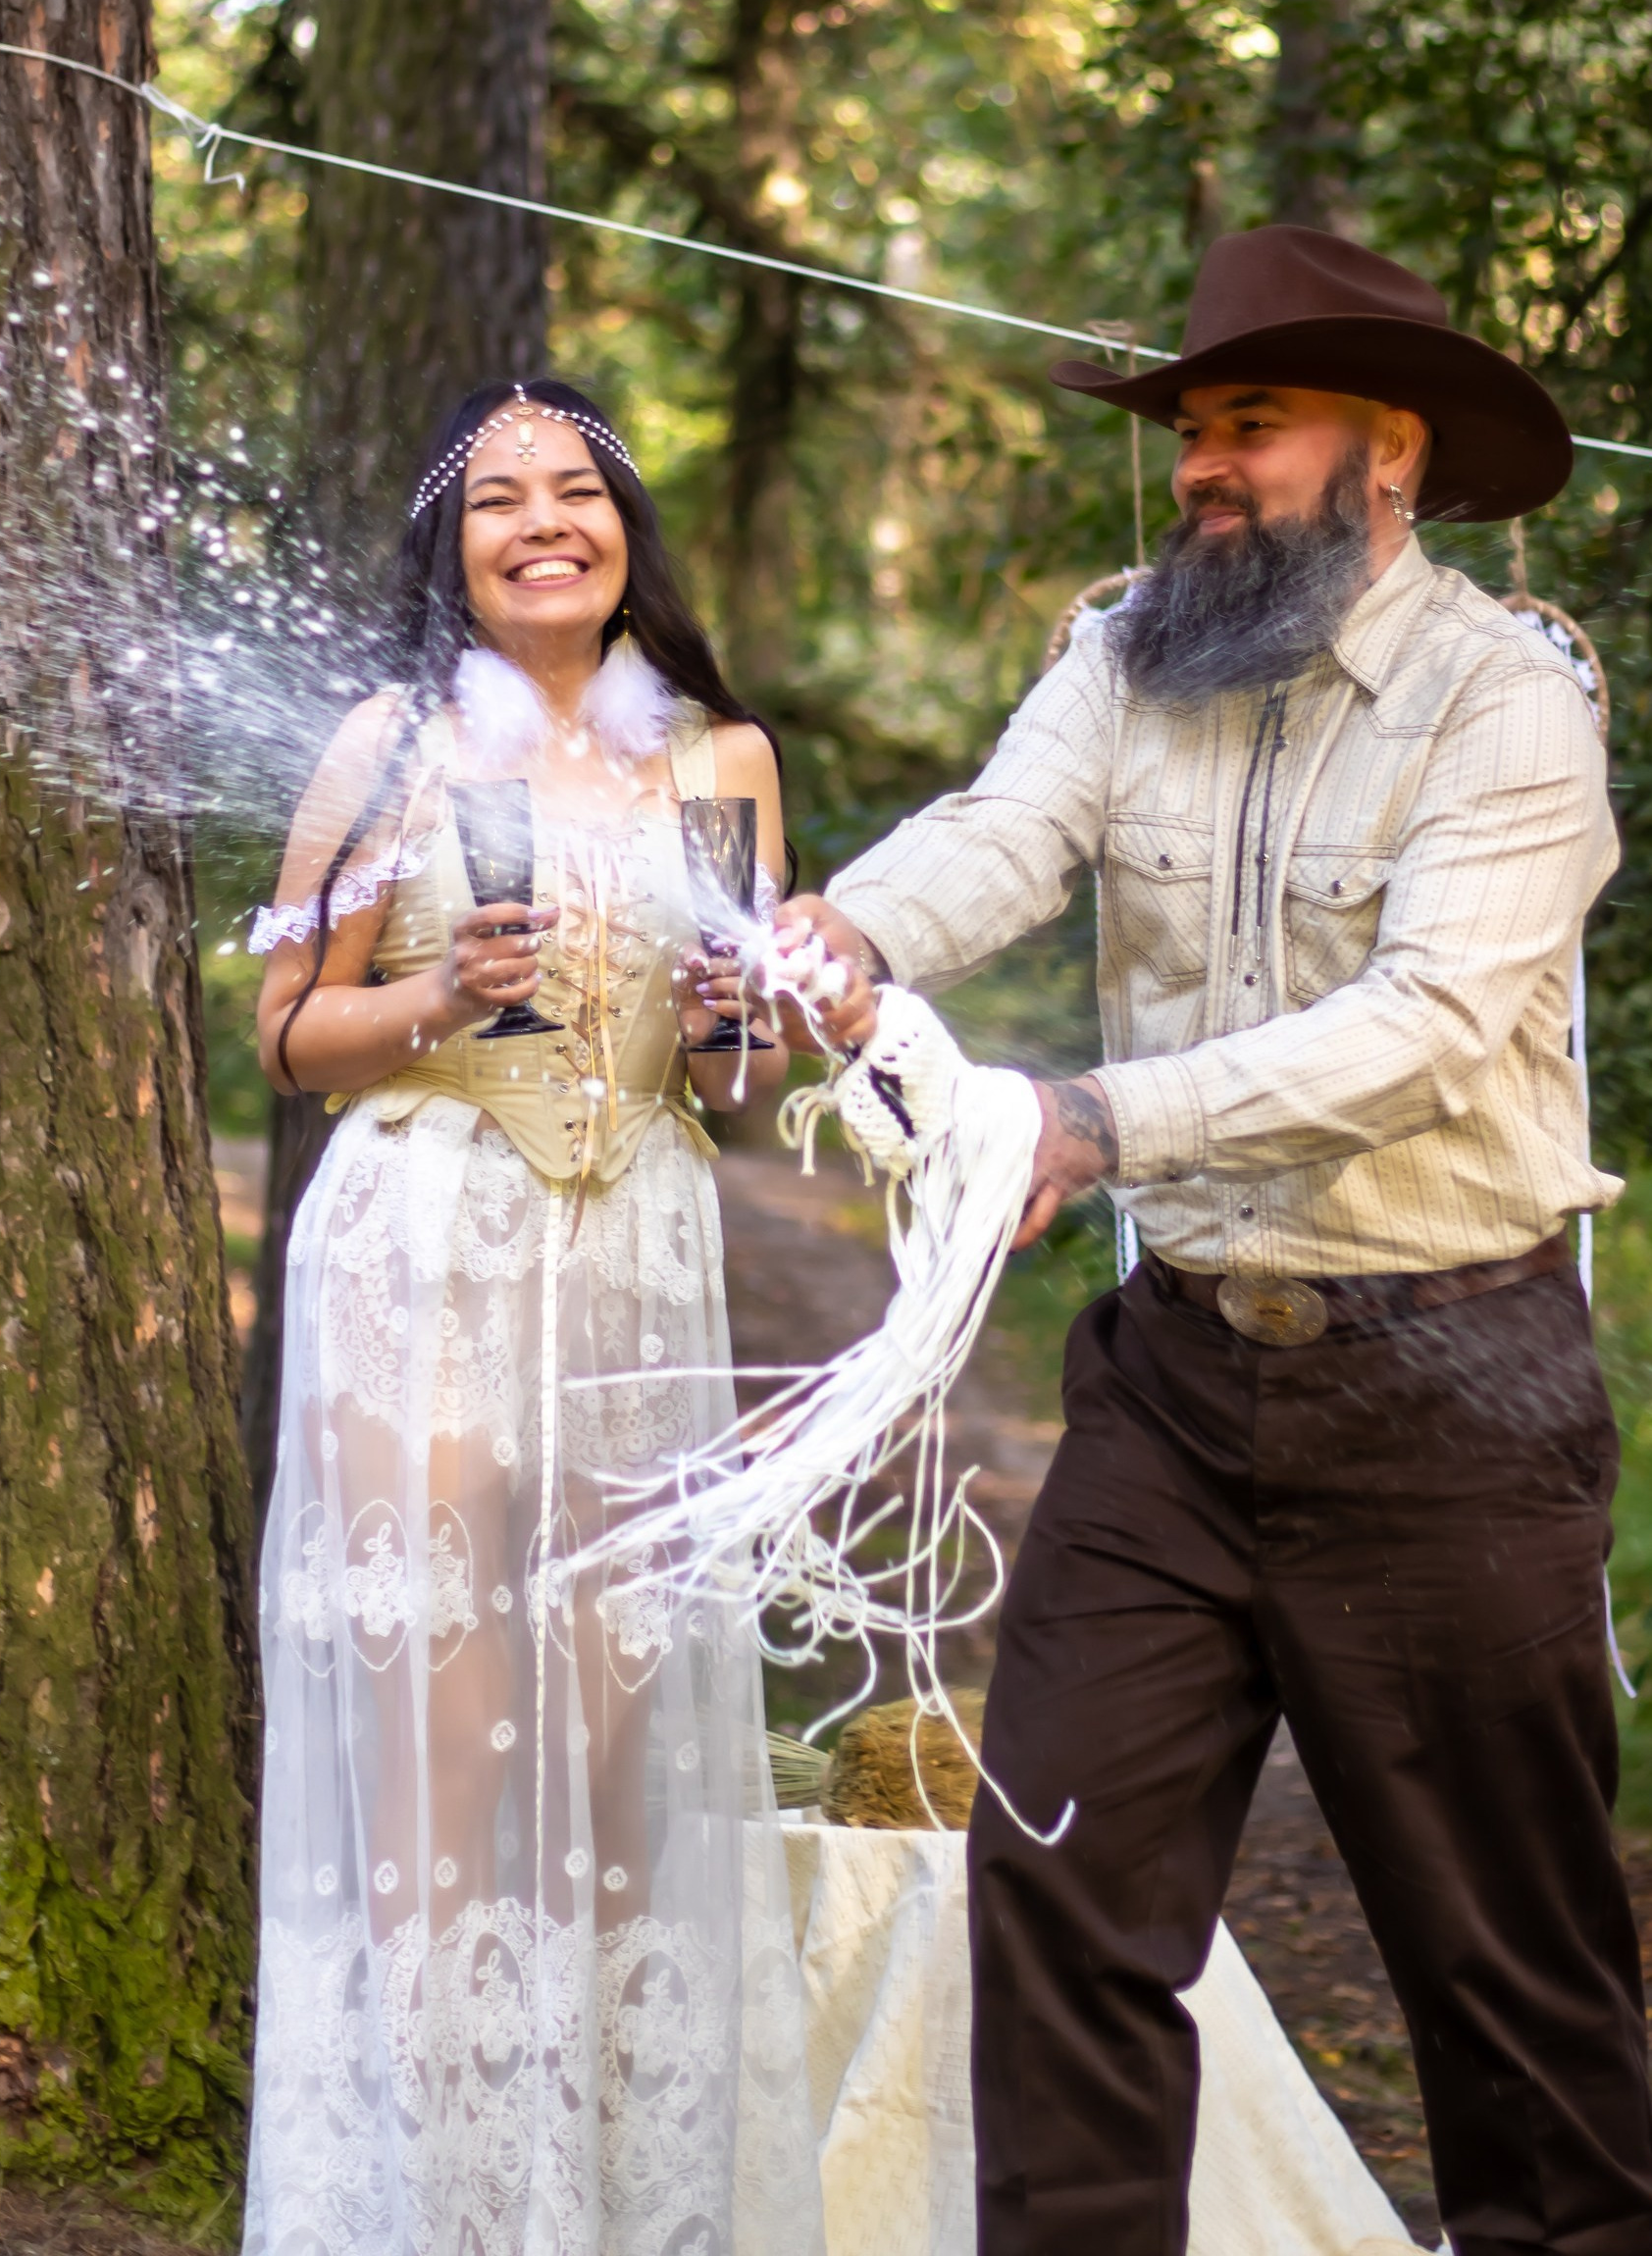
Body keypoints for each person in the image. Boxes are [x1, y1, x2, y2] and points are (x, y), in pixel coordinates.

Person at [787, 227, 1652, 2256]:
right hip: (1171, 1395)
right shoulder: (1122, 649)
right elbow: (1005, 827)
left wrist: (1092, 1121)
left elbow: (1425, 1024)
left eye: (1247, 423)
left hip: (1452, 1396)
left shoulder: (1507, 704)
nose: (1198, 462)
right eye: (1188, 424)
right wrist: (848, 926)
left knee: (1505, 1984)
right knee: (1059, 1892)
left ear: (1389, 458)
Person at [243, 378, 822, 2256]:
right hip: (426, 1247)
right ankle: (444, 2203)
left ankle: (601, 2197)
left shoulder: (723, 760)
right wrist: (432, 999)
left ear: (628, 535)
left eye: (579, 490)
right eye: (501, 501)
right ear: (456, 547)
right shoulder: (384, 743)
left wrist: (749, 1022)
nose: (545, 521)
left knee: (611, 1739)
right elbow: (286, 1036)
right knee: (448, 1725)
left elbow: (730, 1079)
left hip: (641, 1252)